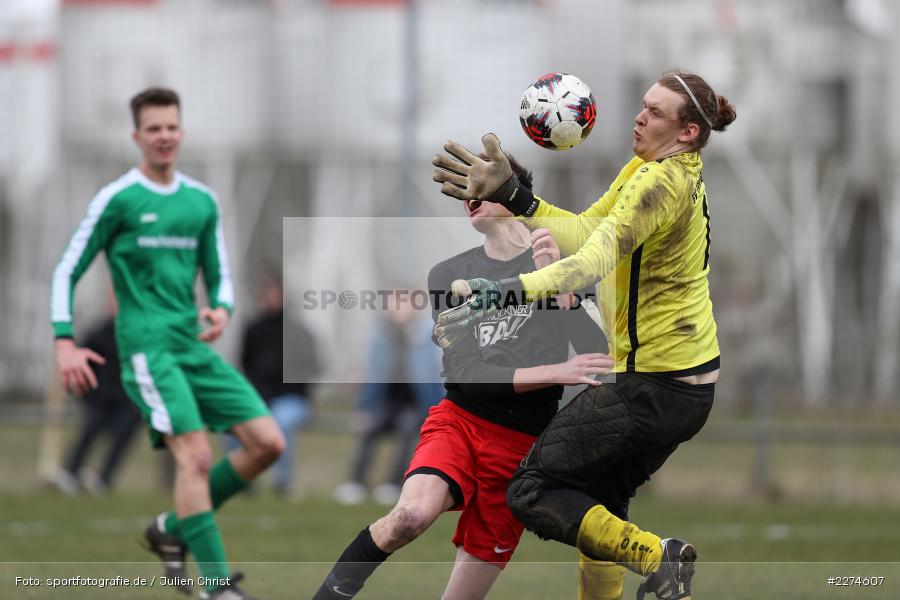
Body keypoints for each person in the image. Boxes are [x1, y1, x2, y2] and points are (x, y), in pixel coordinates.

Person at [431, 70, 736, 600]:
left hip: (652, 384)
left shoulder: (660, 182)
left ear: (688, 132)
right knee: (600, 504)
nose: (639, 117)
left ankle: (658, 557)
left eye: (655, 113)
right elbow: (585, 232)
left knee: (530, 489)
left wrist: (502, 292)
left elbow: (590, 262)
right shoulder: (649, 169)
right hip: (685, 388)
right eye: (643, 105)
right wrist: (513, 195)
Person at [312, 157, 614, 600]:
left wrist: (562, 286)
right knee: (409, 517)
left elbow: (595, 353)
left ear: (513, 194)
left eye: (484, 186)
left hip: (521, 449)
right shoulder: (449, 275)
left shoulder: (563, 261)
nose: (470, 196)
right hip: (461, 423)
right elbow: (469, 375)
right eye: (466, 190)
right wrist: (555, 372)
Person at [50, 87, 284, 600]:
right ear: (137, 136)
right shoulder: (118, 199)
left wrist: (221, 309)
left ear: (181, 132)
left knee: (268, 442)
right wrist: (64, 341)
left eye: (171, 127)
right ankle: (218, 588)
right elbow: (67, 269)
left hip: (192, 346)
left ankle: (173, 529)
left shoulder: (201, 201)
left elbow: (220, 275)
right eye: (154, 128)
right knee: (195, 456)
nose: (164, 136)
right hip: (146, 351)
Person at [332, 289, 443, 507]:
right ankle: (355, 482)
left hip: (416, 403)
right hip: (386, 401)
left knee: (407, 428)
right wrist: (362, 409)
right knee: (370, 428)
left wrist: (438, 411)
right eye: (394, 304)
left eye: (403, 304)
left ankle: (393, 484)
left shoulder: (427, 336)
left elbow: (436, 375)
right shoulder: (380, 337)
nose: (398, 309)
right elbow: (372, 375)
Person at [240, 272, 320, 499]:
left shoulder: (298, 331)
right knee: (235, 426)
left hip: (291, 399)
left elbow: (312, 366)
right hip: (260, 399)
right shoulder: (253, 329)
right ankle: (245, 477)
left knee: (280, 423)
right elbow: (246, 365)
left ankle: (283, 482)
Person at [55, 303, 141, 496]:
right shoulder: (99, 334)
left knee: (121, 441)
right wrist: (85, 392)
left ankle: (104, 480)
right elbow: (83, 364)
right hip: (101, 398)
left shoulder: (140, 337)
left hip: (129, 401)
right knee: (88, 434)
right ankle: (70, 474)